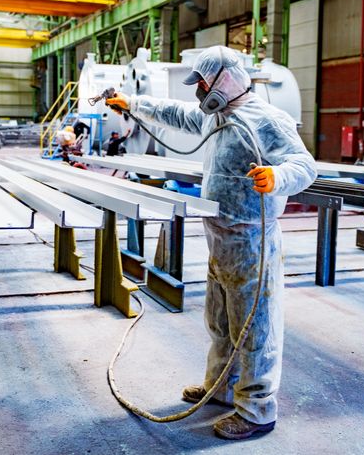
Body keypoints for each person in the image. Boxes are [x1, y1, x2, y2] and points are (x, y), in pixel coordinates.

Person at [106, 45, 316, 440]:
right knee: (220, 323)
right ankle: (220, 388)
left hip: (252, 239)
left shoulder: (267, 119)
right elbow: (175, 114)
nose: (199, 90)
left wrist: (277, 177)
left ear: (225, 78)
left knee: (254, 328)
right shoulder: (217, 117)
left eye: (203, 81)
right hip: (220, 239)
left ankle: (256, 410)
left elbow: (304, 165)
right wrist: (132, 102)